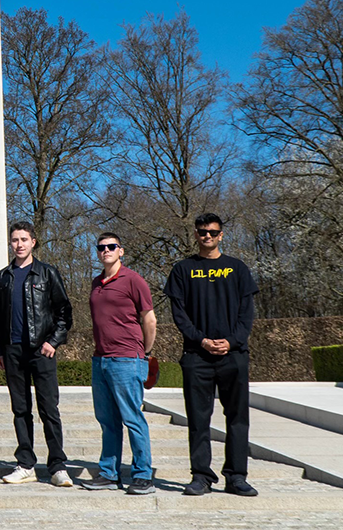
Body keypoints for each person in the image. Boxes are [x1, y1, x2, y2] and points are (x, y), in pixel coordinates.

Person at [164, 213, 259, 497]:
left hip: (234, 356)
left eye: (213, 232)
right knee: (198, 419)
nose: (207, 236)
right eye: (202, 232)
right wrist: (201, 340)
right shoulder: (183, 270)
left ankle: (236, 476)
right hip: (197, 356)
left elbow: (247, 314)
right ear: (195, 234)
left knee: (238, 418)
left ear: (221, 235)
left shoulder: (237, 268)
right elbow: (179, 314)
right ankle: (201, 476)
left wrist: (231, 342)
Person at [0, 220, 74, 486]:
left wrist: (53, 342)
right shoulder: (3, 277)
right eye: (15, 240)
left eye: (24, 239)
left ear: (33, 242)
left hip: (42, 351)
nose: (19, 244)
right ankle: (25, 464)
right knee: (20, 409)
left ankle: (58, 466)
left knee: (49, 408)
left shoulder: (47, 273)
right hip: (13, 351)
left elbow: (64, 312)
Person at [81, 232, 157, 495]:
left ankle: (143, 475)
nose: (106, 251)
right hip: (100, 359)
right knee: (107, 421)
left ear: (121, 251)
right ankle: (109, 473)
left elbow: (149, 320)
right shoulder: (96, 282)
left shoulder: (133, 280)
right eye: (101, 247)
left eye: (111, 247)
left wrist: (143, 353)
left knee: (132, 418)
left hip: (127, 358)